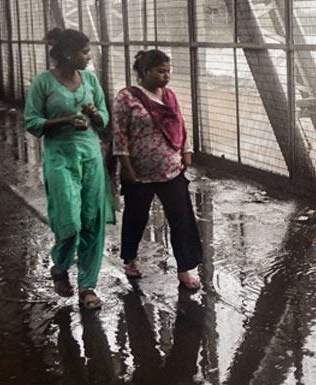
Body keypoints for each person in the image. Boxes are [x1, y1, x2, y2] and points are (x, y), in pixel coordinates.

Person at [24, 27, 114, 310]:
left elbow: (104, 118)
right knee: (69, 222)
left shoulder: (90, 80)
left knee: (92, 221)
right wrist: (63, 121)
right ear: (67, 54)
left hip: (90, 157)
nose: (89, 57)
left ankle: (88, 286)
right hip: (60, 158)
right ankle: (60, 266)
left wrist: (95, 114)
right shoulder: (43, 83)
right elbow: (32, 121)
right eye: (85, 52)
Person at [112, 49, 203, 290]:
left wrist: (186, 150)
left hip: (172, 170)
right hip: (140, 172)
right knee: (135, 217)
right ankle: (130, 259)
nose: (166, 76)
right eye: (160, 71)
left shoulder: (169, 96)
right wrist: (126, 166)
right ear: (144, 72)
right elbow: (119, 134)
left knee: (182, 219)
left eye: (168, 71)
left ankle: (184, 269)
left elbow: (180, 125)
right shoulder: (127, 98)